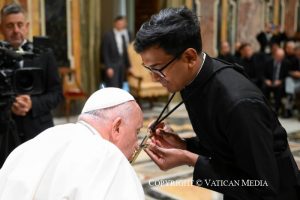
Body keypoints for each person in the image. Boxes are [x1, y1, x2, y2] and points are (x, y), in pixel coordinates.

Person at [134, 7, 300, 200]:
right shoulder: (192, 79)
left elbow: (262, 186)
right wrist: (184, 146)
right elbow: (227, 146)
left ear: (189, 57)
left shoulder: (239, 103)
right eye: (148, 68)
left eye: (158, 69)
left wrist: (191, 160)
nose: (154, 78)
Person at [0, 87, 144, 200]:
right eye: (136, 132)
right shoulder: (108, 157)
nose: (137, 144)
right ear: (117, 127)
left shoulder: (35, 143)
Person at [0, 3, 62, 166]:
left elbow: (56, 94)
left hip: (39, 131)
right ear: (1, 28)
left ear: (27, 26)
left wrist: (32, 104)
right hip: (5, 134)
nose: (16, 30)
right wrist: (9, 106)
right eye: (10, 25)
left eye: (20, 25)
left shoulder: (44, 54)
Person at [101, 16, 132, 89]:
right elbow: (105, 52)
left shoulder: (127, 34)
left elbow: (129, 51)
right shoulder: (108, 35)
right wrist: (108, 67)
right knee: (112, 87)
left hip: (123, 65)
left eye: (122, 23)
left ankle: (120, 101)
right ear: (115, 24)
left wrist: (129, 66)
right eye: (119, 23)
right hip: (112, 65)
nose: (121, 25)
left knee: (121, 87)